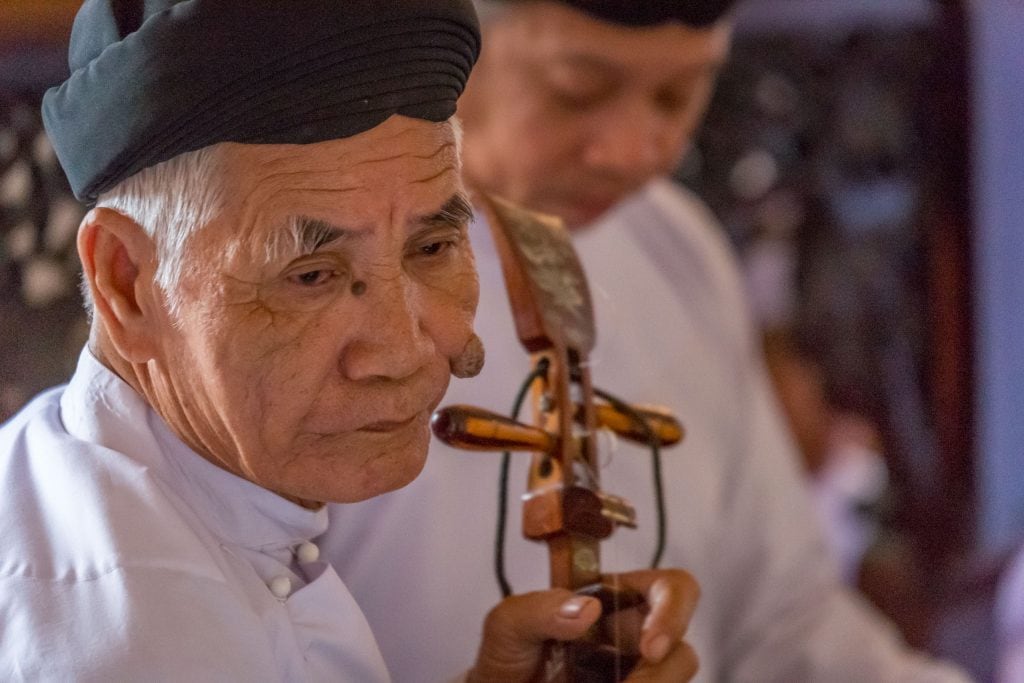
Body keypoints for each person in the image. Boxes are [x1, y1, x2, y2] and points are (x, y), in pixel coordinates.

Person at [0, 1, 699, 680]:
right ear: (126, 282)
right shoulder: (141, 644)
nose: (402, 352)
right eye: (312, 275)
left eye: (432, 247)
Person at [321, 2, 974, 681]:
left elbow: (780, 621)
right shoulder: (310, 273)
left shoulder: (674, 244)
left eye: (677, 95)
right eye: (577, 90)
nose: (636, 151)